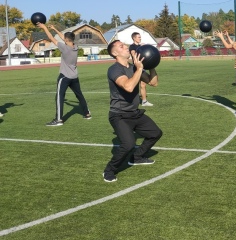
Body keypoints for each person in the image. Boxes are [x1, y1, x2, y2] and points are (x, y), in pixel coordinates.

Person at [102, 39, 162, 182]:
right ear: (115, 53)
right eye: (121, 46)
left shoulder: (134, 67)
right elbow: (128, 87)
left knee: (155, 133)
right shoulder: (114, 69)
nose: (126, 47)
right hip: (119, 115)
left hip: (134, 113)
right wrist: (139, 69)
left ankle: (136, 157)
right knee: (128, 144)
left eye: (125, 45)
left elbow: (153, 82)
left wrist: (152, 64)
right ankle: (109, 170)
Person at [38, 23, 91, 126]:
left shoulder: (64, 48)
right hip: (74, 77)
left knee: (59, 97)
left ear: (66, 40)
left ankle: (58, 120)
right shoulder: (75, 47)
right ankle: (87, 113)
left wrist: (44, 28)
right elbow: (64, 38)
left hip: (65, 77)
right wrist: (54, 28)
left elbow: (51, 38)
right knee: (79, 95)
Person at [129, 32, 153, 106]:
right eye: (138, 37)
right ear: (134, 38)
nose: (140, 38)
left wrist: (144, 47)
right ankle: (130, 101)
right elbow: (133, 53)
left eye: (140, 37)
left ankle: (144, 101)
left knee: (143, 84)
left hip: (142, 67)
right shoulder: (132, 46)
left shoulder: (141, 46)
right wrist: (135, 57)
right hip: (136, 68)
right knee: (134, 85)